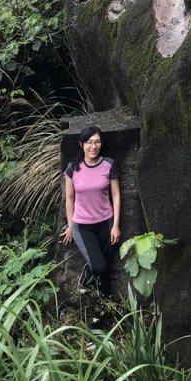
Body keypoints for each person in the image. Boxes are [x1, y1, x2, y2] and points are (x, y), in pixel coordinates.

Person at [61, 125, 121, 296]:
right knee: (99, 266)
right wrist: (70, 226)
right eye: (89, 142)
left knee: (106, 265)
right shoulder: (73, 168)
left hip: (106, 223)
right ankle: (88, 273)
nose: (94, 146)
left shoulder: (109, 165)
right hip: (83, 226)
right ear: (82, 144)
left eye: (97, 142)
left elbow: (116, 195)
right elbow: (69, 199)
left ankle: (106, 299)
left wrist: (115, 225)